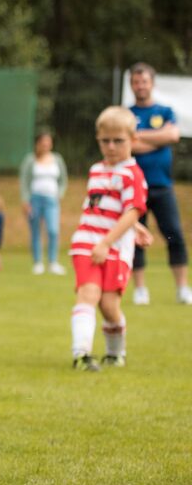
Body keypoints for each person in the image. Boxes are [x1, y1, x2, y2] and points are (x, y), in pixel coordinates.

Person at [68, 106, 150, 371]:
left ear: (133, 140)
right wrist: (102, 241)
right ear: (98, 139)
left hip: (115, 248)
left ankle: (115, 352)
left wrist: (113, 238)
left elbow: (132, 209)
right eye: (105, 141)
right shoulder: (96, 170)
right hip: (86, 242)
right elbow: (101, 206)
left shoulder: (133, 175)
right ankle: (81, 354)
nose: (111, 146)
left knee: (109, 306)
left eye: (118, 140)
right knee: (88, 294)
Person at [126, 62, 190, 305]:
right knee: (135, 237)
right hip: (134, 188)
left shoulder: (165, 111)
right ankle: (140, 290)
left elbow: (172, 135)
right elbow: (127, 145)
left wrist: (138, 135)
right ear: (131, 85)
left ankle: (182, 288)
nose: (140, 86)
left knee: (174, 235)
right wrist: (158, 138)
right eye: (136, 82)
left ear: (152, 83)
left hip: (162, 185)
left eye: (144, 81)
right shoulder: (126, 114)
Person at [18, 131, 68, 275]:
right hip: (35, 199)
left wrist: (60, 194)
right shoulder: (30, 160)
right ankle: (38, 262)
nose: (46, 144)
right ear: (37, 143)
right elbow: (24, 181)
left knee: (53, 231)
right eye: (43, 142)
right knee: (35, 230)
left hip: (52, 199)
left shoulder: (57, 159)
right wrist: (25, 200)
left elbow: (63, 180)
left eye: (48, 142)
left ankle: (53, 262)